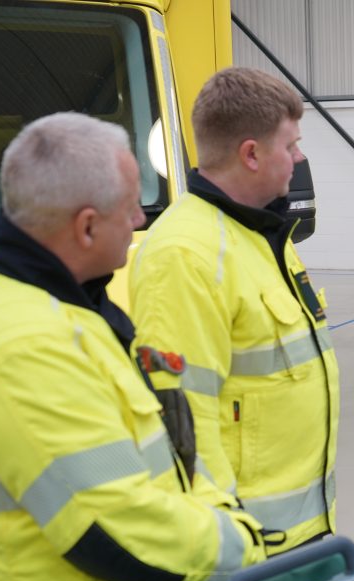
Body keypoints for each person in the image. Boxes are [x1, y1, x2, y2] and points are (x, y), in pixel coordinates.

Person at [0, 112, 267, 581]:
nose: (140, 219)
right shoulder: (22, 346)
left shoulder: (70, 306)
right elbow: (121, 534)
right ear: (86, 227)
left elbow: (164, 462)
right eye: (131, 207)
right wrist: (241, 544)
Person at [130, 67, 339, 554]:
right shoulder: (184, 254)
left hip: (302, 535)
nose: (299, 158)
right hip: (250, 551)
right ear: (251, 154)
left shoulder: (262, 235)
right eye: (291, 145)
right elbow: (183, 424)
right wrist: (229, 547)